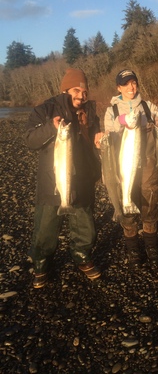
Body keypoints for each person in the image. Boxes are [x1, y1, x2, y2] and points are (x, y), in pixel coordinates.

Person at [25, 68, 102, 288]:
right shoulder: (46, 110)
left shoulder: (89, 111)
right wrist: (52, 128)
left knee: (84, 224)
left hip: (83, 177)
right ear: (65, 89)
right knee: (46, 227)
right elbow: (29, 139)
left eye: (84, 91)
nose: (81, 95)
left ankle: (82, 255)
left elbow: (93, 134)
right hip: (54, 180)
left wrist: (97, 137)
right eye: (76, 90)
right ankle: (41, 264)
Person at [103, 69, 158, 269]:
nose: (131, 88)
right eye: (126, 84)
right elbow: (107, 134)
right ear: (119, 88)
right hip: (124, 167)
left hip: (149, 166)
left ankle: (151, 247)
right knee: (127, 208)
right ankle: (133, 249)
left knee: (150, 207)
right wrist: (121, 122)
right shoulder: (111, 111)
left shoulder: (148, 107)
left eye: (133, 83)